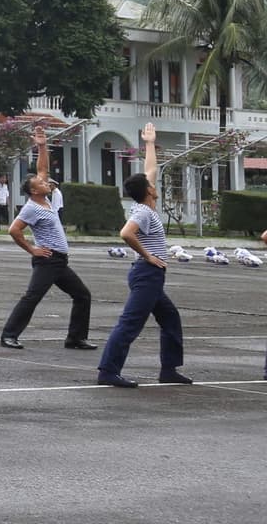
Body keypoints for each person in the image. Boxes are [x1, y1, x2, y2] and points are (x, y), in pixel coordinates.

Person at [97, 122, 190, 388]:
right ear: (148, 191)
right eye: (151, 184)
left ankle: (169, 369)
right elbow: (126, 234)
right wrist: (148, 255)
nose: (153, 182)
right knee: (130, 323)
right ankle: (108, 370)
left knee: (170, 318)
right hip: (147, 273)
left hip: (152, 276)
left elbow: (150, 169)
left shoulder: (146, 205)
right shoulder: (143, 212)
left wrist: (149, 143)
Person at [0, 125, 94, 352]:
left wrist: (41, 146)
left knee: (82, 295)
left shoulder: (46, 200)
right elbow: (14, 230)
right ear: (33, 191)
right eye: (41, 184)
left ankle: (75, 338)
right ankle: (9, 335)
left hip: (60, 262)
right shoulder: (32, 207)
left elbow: (42, 170)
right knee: (32, 297)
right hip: (47, 260)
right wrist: (32, 249)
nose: (46, 183)